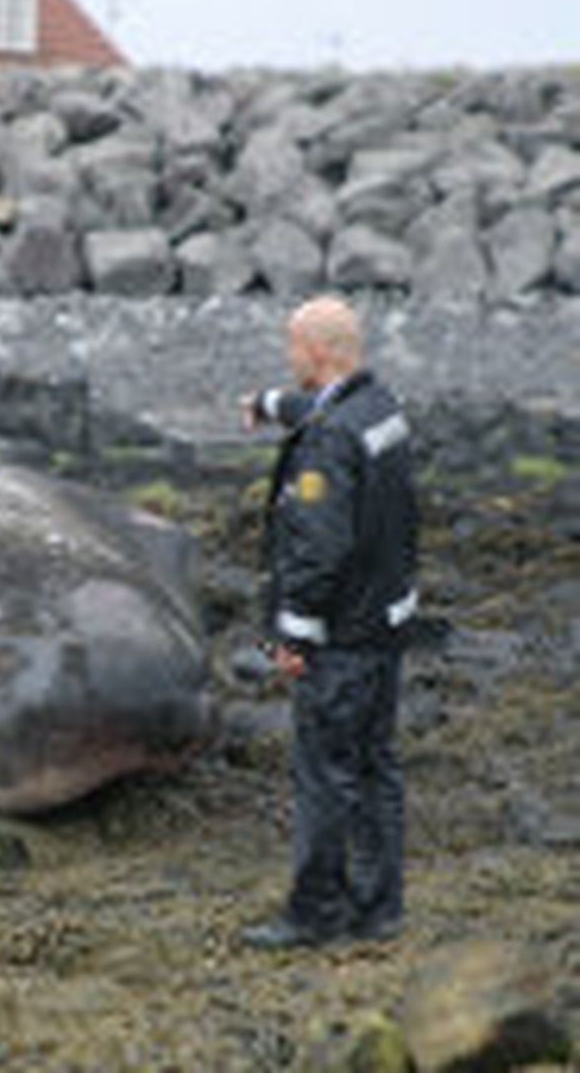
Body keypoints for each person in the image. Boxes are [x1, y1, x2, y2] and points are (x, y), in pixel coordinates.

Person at [239, 295, 420, 950]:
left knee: (325, 774)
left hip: (340, 638)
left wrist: (292, 637)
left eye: (293, 350)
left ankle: (316, 912)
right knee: (376, 766)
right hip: (385, 626)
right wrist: (270, 402)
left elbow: (318, 548)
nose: (289, 360)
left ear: (317, 352)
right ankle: (380, 907)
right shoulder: (382, 410)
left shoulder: (329, 443)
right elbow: (328, 411)